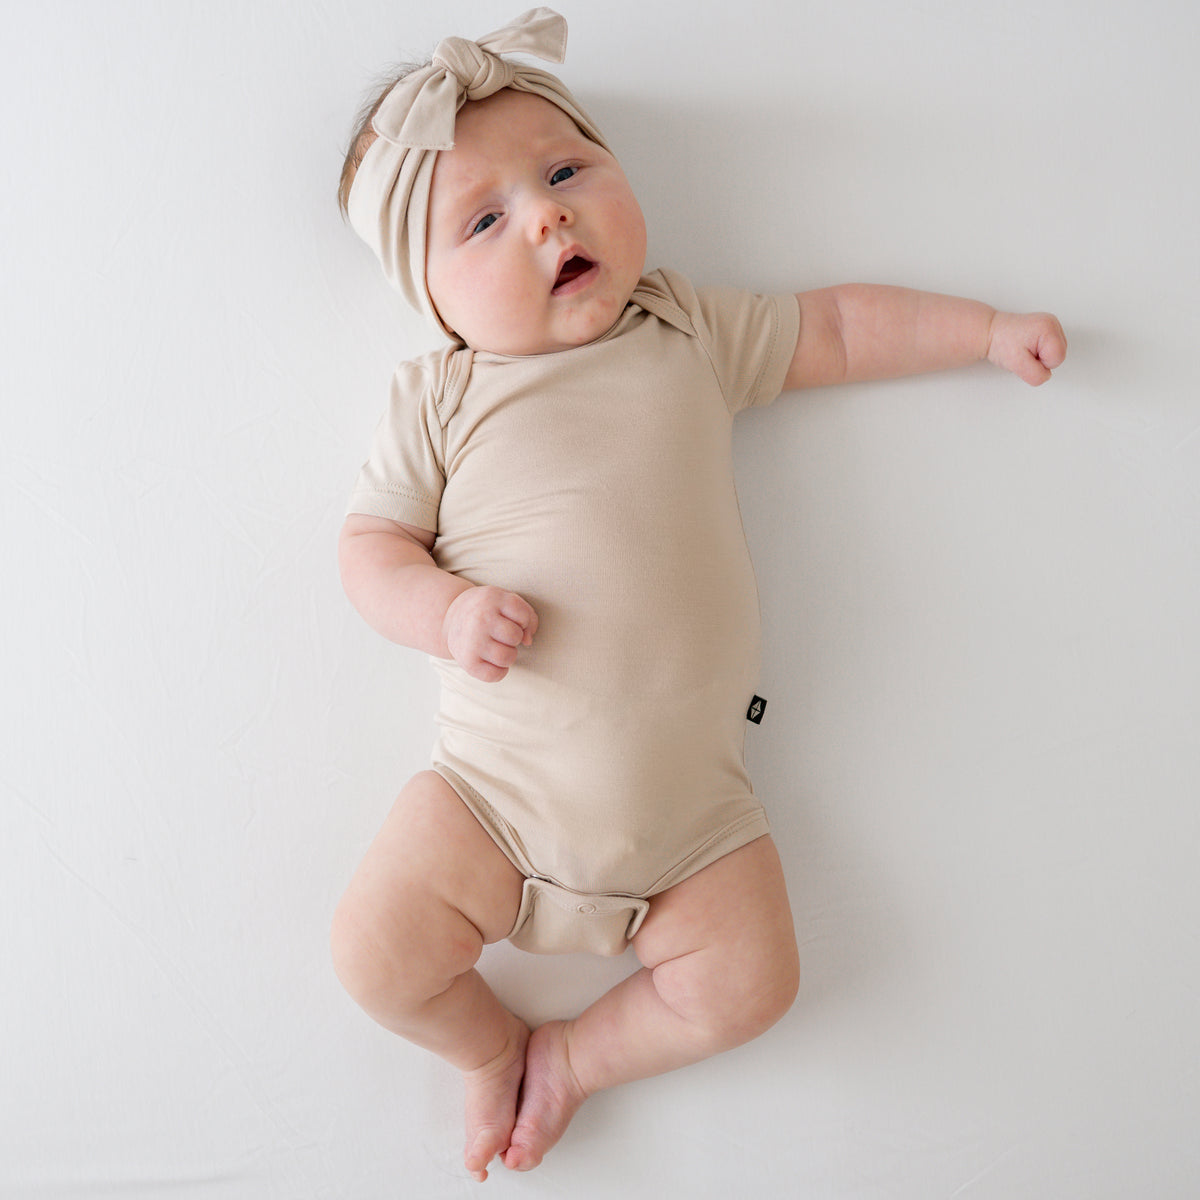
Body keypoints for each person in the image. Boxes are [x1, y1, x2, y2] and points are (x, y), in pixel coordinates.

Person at [329, 8, 1066, 1183]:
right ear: (431, 299)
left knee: (750, 984)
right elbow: (370, 546)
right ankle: (486, 1050)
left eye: (566, 169)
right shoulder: (442, 397)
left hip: (693, 828)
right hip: (491, 800)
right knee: (376, 957)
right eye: (484, 220)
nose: (548, 213)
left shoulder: (681, 329)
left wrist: (981, 331)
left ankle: (572, 1060)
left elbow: (833, 324)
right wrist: (444, 612)